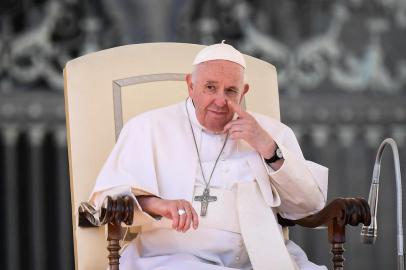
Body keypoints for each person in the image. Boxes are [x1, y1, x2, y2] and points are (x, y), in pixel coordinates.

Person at [89, 42, 328, 270]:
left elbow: (309, 205)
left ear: (243, 92)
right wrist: (157, 204)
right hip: (171, 258)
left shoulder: (272, 133)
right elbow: (106, 201)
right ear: (190, 85)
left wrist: (267, 148)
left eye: (231, 90)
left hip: (261, 258)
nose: (221, 101)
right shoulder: (147, 127)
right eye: (210, 87)